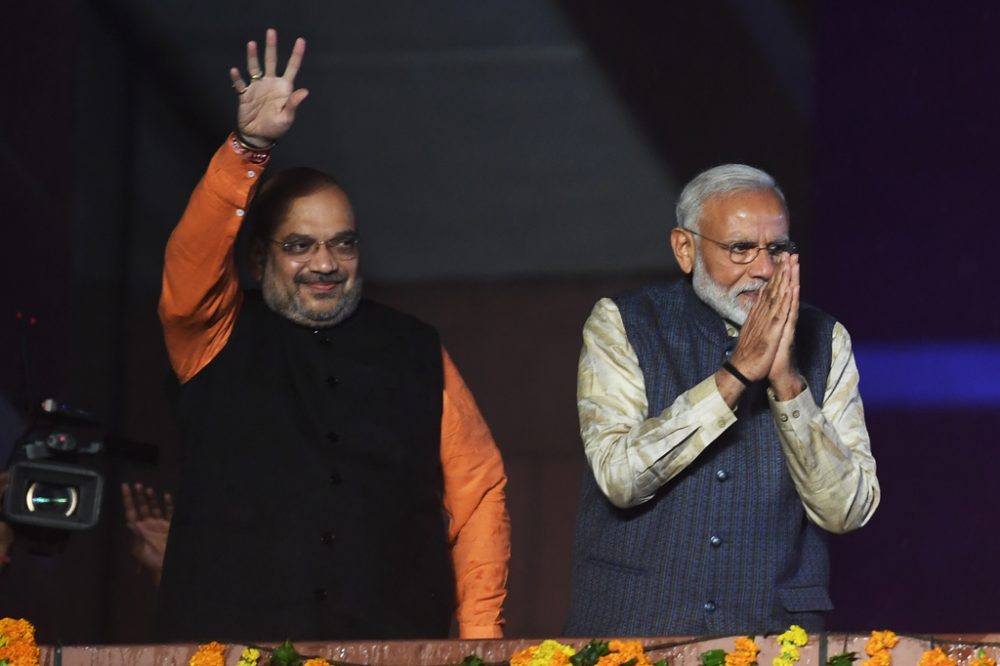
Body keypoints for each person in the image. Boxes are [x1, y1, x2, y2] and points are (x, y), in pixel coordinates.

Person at [154, 29, 510, 641]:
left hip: (389, 647)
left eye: (342, 244)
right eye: (301, 246)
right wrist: (249, 147)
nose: (325, 263)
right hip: (228, 646)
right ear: (260, 257)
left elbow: (477, 489)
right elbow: (191, 256)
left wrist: (480, 643)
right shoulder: (212, 331)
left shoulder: (415, 349)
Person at [564, 164, 880, 636]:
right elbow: (619, 476)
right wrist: (734, 377)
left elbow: (847, 510)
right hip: (635, 629)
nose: (764, 269)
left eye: (777, 249)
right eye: (740, 249)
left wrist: (788, 383)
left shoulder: (826, 338)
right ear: (685, 249)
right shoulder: (623, 323)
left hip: (773, 637)